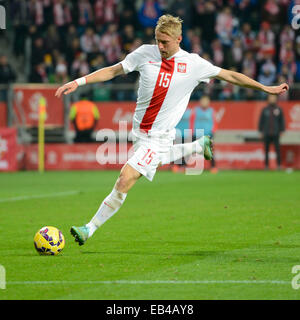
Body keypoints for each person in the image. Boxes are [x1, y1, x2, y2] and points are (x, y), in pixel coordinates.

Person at [55, 15, 288, 246]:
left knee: (125, 178)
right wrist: (79, 81)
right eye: (157, 40)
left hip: (157, 137)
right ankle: (197, 146)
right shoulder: (144, 53)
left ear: (179, 39)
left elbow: (230, 75)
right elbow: (114, 70)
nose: (160, 46)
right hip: (140, 133)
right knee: (154, 162)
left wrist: (265, 88)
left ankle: (89, 228)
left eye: (165, 42)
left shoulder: (194, 64)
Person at [258, 94, 285, 170]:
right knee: (266, 150)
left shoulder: (279, 109)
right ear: (268, 99)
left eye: (273, 98)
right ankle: (266, 166)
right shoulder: (265, 109)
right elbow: (261, 121)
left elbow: (282, 120)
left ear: (276, 99)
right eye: (271, 98)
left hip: (276, 133)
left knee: (277, 150)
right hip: (266, 133)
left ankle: (279, 165)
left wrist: (282, 130)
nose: (272, 99)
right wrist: (260, 131)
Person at [193, 95, 218, 173]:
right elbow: (191, 121)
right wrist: (192, 131)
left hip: (207, 134)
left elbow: (215, 122)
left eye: (206, 101)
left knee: (209, 151)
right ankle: (182, 166)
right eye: (203, 101)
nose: (204, 103)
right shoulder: (196, 110)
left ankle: (213, 167)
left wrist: (213, 132)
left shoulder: (211, 111)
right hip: (197, 133)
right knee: (189, 150)